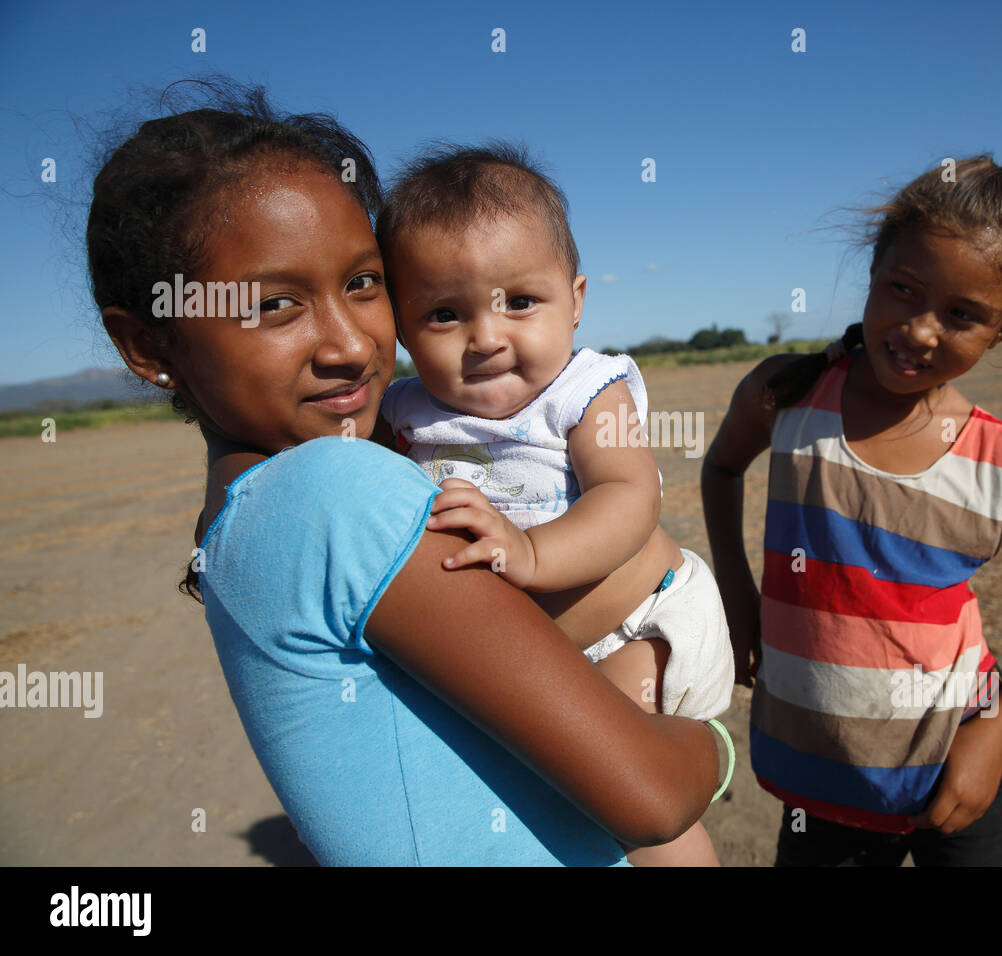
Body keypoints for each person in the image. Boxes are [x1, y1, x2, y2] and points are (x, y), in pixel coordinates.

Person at [89, 84, 732, 866]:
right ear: (149, 347)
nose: (350, 345)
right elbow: (655, 794)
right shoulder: (340, 492)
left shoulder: (239, 521)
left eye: (363, 284)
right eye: (276, 305)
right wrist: (713, 745)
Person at [700, 156, 1002, 866]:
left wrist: (993, 736)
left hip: (966, 775)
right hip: (823, 783)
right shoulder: (786, 397)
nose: (919, 330)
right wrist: (738, 594)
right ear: (873, 271)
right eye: (903, 291)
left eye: (963, 315)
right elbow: (722, 465)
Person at [373, 143, 733, 866]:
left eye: (521, 301)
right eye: (445, 313)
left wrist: (534, 551)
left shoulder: (585, 389)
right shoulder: (405, 413)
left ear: (577, 301)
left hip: (642, 621)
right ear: (403, 328)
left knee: (620, 785)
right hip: (537, 645)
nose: (486, 337)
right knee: (553, 795)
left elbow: (630, 494)